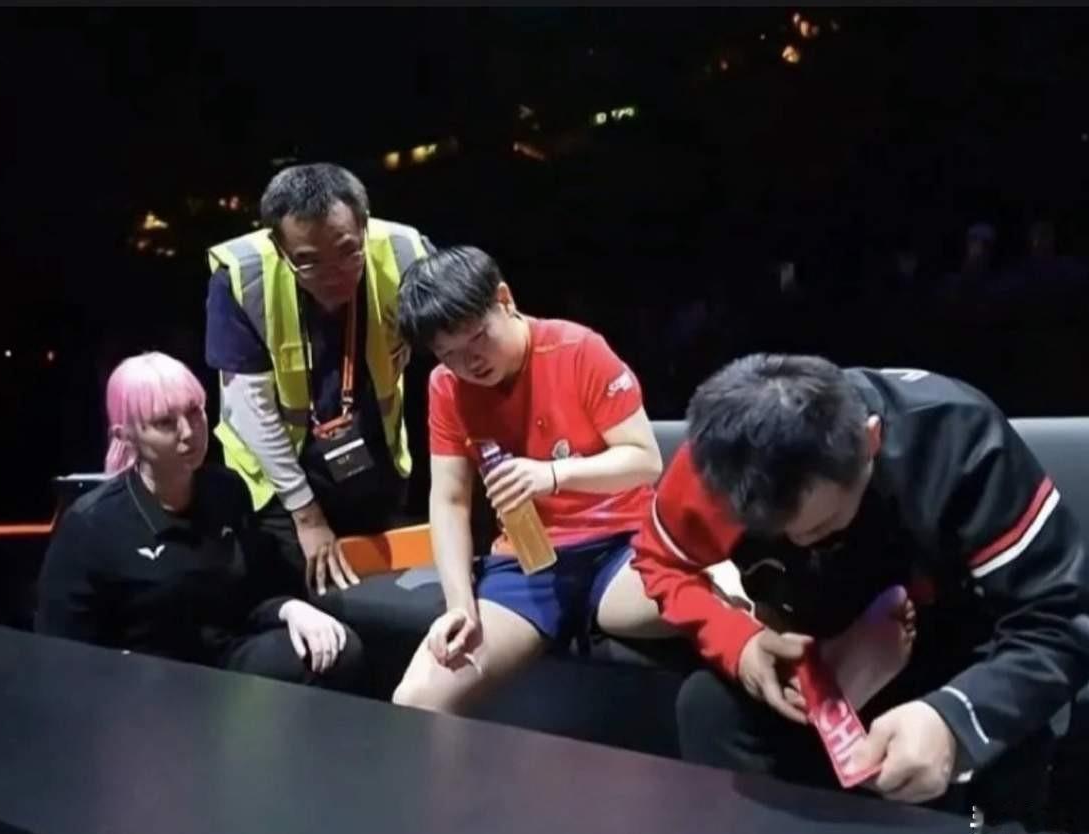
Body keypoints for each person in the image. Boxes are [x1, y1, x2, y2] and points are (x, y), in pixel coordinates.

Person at [632, 354, 1089, 827]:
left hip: (965, 655)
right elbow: (660, 562)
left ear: (871, 441)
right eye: (778, 532)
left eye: (821, 525)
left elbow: (1063, 621)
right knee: (709, 705)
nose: (800, 542)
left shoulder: (957, 441)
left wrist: (954, 719)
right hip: (815, 647)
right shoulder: (715, 466)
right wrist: (739, 643)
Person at [390, 246, 670, 712]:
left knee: (729, 595)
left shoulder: (577, 348)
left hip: (624, 547)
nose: (469, 363)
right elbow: (451, 501)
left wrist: (552, 475)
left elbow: (645, 461)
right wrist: (460, 604)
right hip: (526, 564)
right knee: (416, 699)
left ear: (504, 299)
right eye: (449, 354)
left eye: (477, 338)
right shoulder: (446, 387)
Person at [35, 352, 365, 691]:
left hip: (224, 663)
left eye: (194, 412)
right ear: (126, 435)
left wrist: (290, 609)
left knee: (339, 649)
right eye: (165, 422)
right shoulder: (91, 524)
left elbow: (256, 593)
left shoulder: (226, 490)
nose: (188, 432)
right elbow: (61, 651)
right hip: (144, 685)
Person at [204, 162, 433, 595]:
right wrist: (306, 515)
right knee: (315, 600)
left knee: (382, 598)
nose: (333, 275)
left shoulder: (406, 253)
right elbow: (251, 408)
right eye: (309, 262)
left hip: (371, 461)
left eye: (348, 252)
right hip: (279, 480)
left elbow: (461, 347)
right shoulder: (242, 277)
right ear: (279, 246)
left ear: (364, 226)